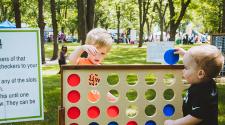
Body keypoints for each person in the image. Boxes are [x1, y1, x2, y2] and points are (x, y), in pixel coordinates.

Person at [164, 45, 224, 125]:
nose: (183, 70)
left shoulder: (201, 93)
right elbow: (198, 64)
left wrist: (175, 123)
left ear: (200, 73)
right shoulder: (208, 83)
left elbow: (196, 117)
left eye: (186, 68)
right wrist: (186, 54)